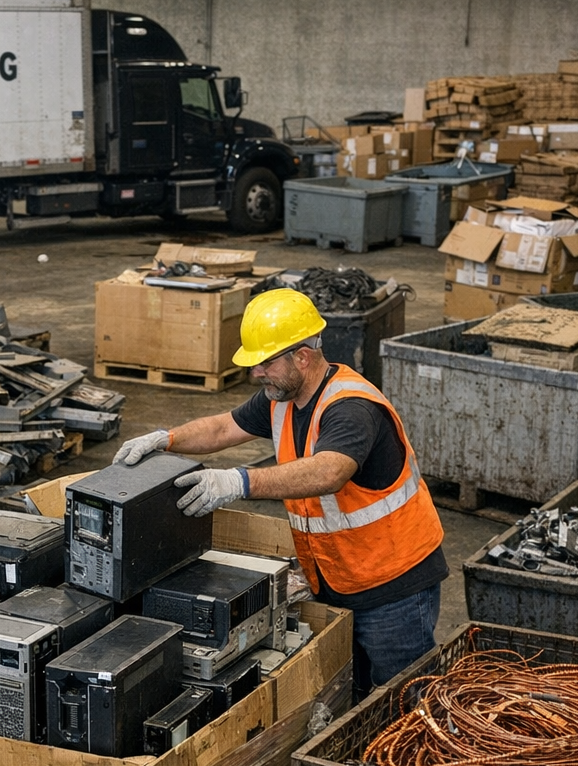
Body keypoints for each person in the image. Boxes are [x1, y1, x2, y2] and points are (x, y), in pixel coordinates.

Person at [113, 288, 447, 700]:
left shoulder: (351, 407)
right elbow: (222, 428)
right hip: (340, 578)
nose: (257, 373)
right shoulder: (282, 398)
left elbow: (329, 471)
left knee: (412, 699)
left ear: (302, 357)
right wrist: (166, 439)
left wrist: (239, 482)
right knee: (358, 696)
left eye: (265, 363)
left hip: (393, 585)